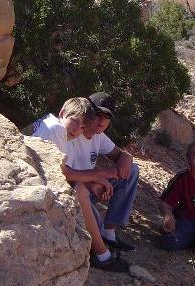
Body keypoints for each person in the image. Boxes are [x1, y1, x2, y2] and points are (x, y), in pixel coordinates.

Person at [32, 97, 124, 272]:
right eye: (75, 121)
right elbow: (64, 172)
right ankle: (102, 255)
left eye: (82, 127)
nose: (76, 130)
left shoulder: (57, 127)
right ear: (62, 113)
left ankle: (100, 247)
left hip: (39, 177)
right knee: (79, 191)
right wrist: (98, 176)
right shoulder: (56, 129)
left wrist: (93, 182)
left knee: (94, 222)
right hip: (34, 181)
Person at [60, 92, 140, 270]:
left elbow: (121, 155)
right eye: (98, 114)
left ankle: (109, 233)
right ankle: (100, 249)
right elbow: (67, 175)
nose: (101, 120)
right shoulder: (73, 134)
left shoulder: (99, 136)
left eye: (107, 117)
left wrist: (126, 158)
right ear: (87, 113)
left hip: (92, 187)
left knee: (132, 170)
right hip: (76, 191)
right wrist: (96, 180)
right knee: (92, 229)